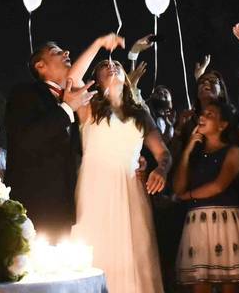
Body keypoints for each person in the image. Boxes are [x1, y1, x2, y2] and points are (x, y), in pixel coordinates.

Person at [5, 34, 121, 242]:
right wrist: (67, 108)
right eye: (56, 52)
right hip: (32, 205)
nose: (66, 52)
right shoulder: (24, 93)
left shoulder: (81, 101)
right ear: (40, 66)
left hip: (66, 207)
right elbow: (26, 139)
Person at [72, 57, 171, 293]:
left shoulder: (140, 114)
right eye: (104, 66)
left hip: (130, 188)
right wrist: (99, 43)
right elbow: (73, 78)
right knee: (99, 250)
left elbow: (163, 153)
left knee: (136, 255)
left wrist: (160, 169)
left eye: (116, 64)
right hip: (96, 187)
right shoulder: (89, 106)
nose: (111, 65)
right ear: (96, 80)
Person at [173, 101, 239, 292]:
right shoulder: (195, 153)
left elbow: (218, 185)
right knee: (200, 283)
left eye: (210, 114)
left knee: (228, 283)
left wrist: (188, 195)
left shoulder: (233, 151)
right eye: (202, 113)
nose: (202, 116)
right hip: (197, 223)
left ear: (223, 124)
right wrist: (187, 151)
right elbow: (178, 187)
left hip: (224, 222)